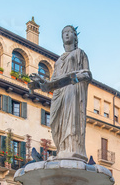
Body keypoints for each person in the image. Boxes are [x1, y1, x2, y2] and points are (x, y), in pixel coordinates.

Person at [29, 25, 92, 161]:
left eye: (70, 32)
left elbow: (87, 74)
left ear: (76, 37)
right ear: (62, 38)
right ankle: (62, 149)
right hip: (59, 95)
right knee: (55, 123)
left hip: (73, 92)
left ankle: (73, 149)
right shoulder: (58, 61)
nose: (67, 34)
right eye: (64, 33)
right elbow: (51, 84)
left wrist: (73, 77)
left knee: (71, 121)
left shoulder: (80, 53)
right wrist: (39, 83)